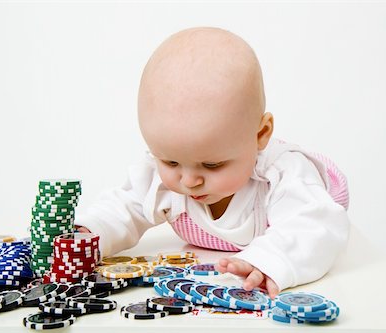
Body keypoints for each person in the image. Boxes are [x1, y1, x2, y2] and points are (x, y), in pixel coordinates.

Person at [75, 27, 350, 299]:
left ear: (260, 135)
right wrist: (90, 232)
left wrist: (268, 260)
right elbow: (125, 205)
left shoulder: (281, 174)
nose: (189, 180)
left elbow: (314, 227)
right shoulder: (163, 175)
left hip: (314, 200)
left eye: (212, 165)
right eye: (170, 161)